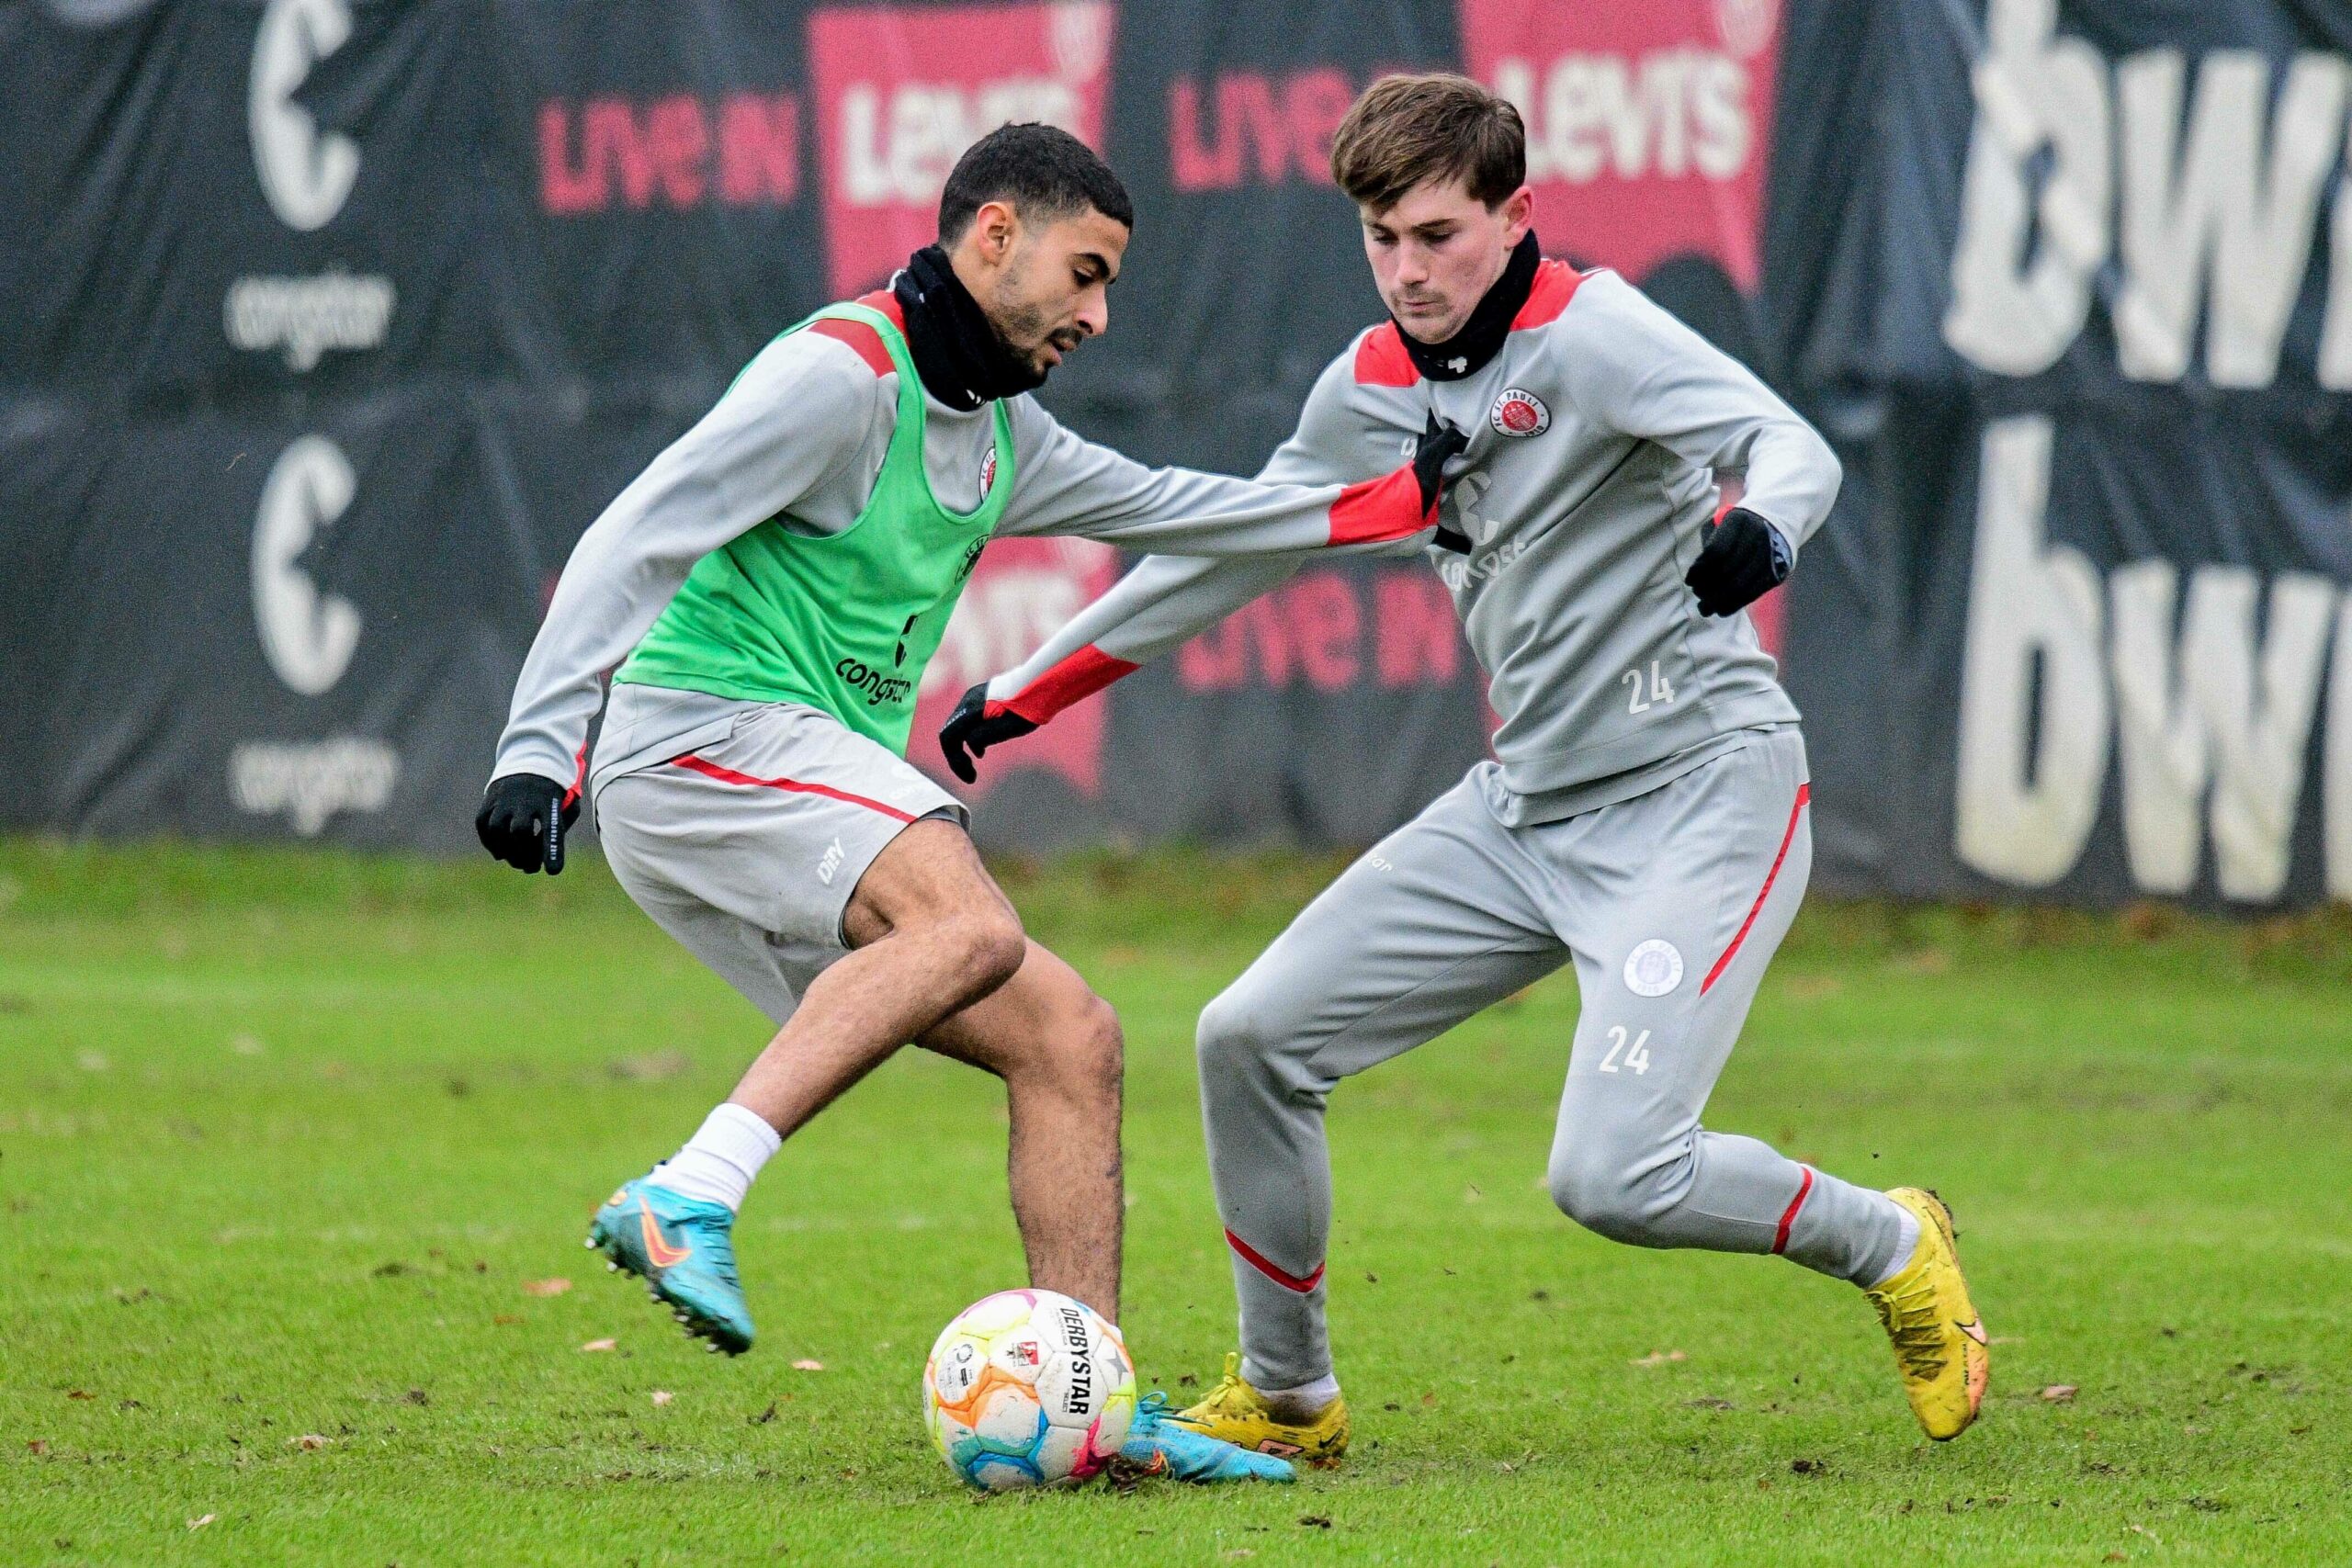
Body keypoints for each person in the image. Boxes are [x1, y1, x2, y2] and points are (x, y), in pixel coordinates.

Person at [941, 76, 1988, 1463]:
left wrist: (1768, 527)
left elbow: (1783, 440)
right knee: (1250, 1040)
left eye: (1436, 233)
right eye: (1381, 237)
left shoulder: (1598, 334)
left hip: (1701, 791)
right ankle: (1291, 1398)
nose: (1408, 269)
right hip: (1526, 809)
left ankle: (1891, 1237)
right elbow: (1236, 548)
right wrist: (1024, 691)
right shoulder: (1368, 387)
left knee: (1613, 1175)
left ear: (1516, 218)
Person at [475, 122, 1463, 1483]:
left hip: (787, 781)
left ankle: (1095, 1411)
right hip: (697, 738)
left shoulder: (1003, 439)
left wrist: (1394, 505)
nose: (1100, 314)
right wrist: (541, 748)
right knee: (973, 922)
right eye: (1085, 271)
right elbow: (637, 530)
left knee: (1074, 1037)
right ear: (994, 234)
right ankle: (687, 1193)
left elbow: (1183, 508)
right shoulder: (840, 377)